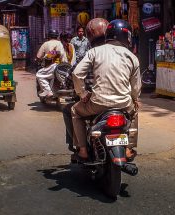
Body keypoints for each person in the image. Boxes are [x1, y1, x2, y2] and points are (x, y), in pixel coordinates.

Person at [71, 19, 141, 161]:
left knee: (75, 111)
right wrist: (135, 99)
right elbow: (135, 88)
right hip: (123, 105)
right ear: (127, 37)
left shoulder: (95, 51)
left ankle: (83, 150)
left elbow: (77, 74)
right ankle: (128, 149)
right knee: (134, 111)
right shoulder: (132, 57)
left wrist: (83, 94)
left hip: (98, 104)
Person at [62, 18, 109, 154]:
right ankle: (130, 147)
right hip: (120, 101)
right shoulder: (120, 53)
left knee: (70, 110)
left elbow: (74, 76)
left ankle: (81, 148)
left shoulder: (90, 55)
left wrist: (82, 93)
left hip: (95, 101)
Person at [36, 29, 68, 97]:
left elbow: (38, 56)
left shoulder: (45, 44)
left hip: (51, 66)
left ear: (49, 36)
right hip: (62, 67)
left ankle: (47, 91)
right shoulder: (60, 43)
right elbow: (62, 55)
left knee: (39, 74)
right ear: (57, 36)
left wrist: (40, 59)